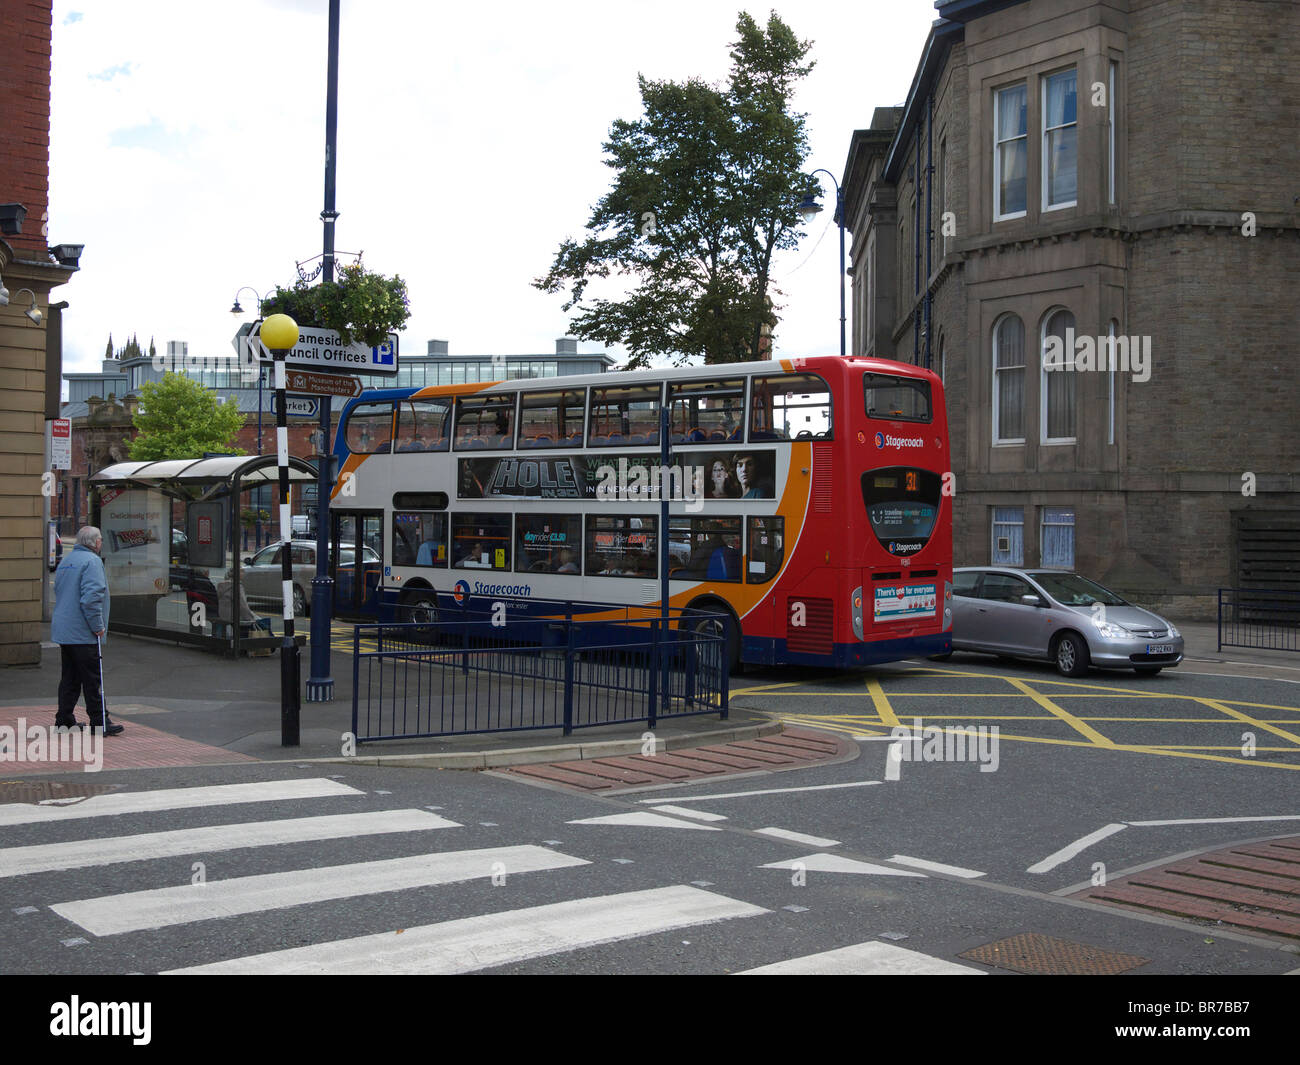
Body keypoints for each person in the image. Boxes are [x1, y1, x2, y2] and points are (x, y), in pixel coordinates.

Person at [51, 526, 123, 735]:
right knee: (93, 678)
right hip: (83, 631)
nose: (101, 543)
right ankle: (100, 722)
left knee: (70, 678)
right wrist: (98, 626)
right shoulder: (92, 562)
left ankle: (64, 720)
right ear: (94, 543)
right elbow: (91, 598)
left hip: (65, 630)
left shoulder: (68, 561)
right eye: (100, 540)